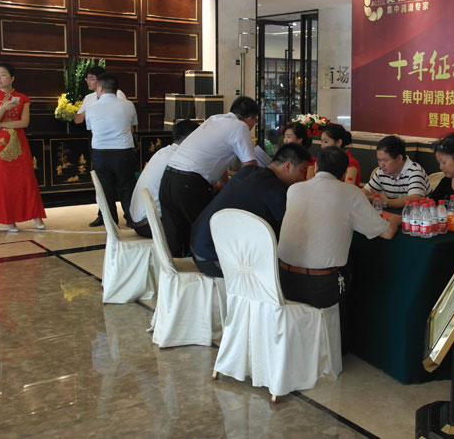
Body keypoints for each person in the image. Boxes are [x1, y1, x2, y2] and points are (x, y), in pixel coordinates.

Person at [278, 147, 401, 308]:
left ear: (316, 167)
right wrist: (394, 220)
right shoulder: (351, 193)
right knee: (358, 266)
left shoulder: (294, 189)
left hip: (282, 281)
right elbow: (387, 233)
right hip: (320, 288)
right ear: (344, 174)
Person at [190, 143, 312, 277]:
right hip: (213, 259)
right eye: (302, 171)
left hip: (197, 246)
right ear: (288, 166)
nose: (303, 178)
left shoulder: (248, 171)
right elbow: (288, 234)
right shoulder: (275, 190)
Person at [159, 96, 258, 257]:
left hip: (169, 179)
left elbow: (218, 162)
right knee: (208, 234)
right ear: (251, 118)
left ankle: (175, 272)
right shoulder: (240, 127)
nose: (253, 126)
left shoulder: (214, 119)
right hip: (189, 185)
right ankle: (211, 270)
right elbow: (250, 166)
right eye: (255, 121)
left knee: (177, 243)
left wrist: (225, 188)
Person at [0, 63, 46, 232]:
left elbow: (24, 122)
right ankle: (8, 219)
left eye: (3, 74)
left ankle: (36, 215)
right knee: (3, 181)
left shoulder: (22, 98)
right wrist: (2, 109)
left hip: (19, 142)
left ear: (12, 78)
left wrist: (1, 124)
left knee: (25, 179)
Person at [74, 65, 128, 227]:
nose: (88, 82)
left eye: (91, 78)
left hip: (119, 143)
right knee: (102, 182)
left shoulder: (118, 94)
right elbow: (78, 120)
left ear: (101, 81)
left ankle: (129, 215)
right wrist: (91, 110)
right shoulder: (89, 98)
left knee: (123, 183)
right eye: (87, 78)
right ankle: (104, 215)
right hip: (98, 142)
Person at [128, 120, 199, 238]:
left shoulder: (164, 151)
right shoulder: (179, 158)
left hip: (139, 222)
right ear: (192, 138)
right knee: (198, 218)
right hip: (150, 226)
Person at [86, 72, 138, 227]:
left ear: (100, 88)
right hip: (123, 151)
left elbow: (90, 128)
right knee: (127, 187)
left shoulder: (91, 107)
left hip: (100, 153)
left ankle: (111, 224)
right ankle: (132, 220)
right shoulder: (128, 105)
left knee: (105, 190)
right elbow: (133, 125)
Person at [364, 135, 429, 208]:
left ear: (399, 158)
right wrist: (369, 199)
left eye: (385, 160)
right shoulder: (381, 171)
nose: (381, 164)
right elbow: (365, 191)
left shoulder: (415, 171)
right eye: (379, 160)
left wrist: (386, 202)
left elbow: (415, 199)